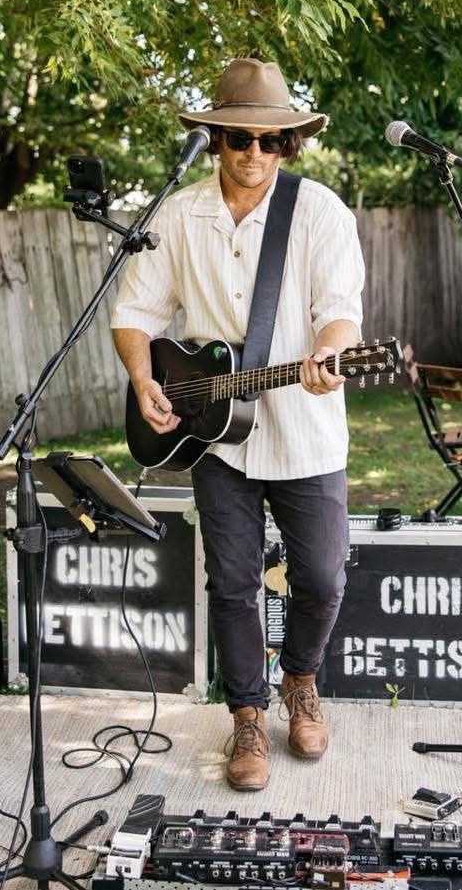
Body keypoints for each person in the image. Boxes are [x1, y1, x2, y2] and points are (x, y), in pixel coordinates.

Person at [110, 57, 365, 791]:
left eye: (271, 140)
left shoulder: (319, 212)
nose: (255, 152)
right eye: (239, 138)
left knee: (322, 576)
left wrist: (330, 352)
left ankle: (300, 679)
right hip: (214, 433)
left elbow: (340, 310)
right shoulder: (176, 215)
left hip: (305, 428)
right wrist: (144, 378)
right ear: (216, 138)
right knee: (231, 582)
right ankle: (247, 715)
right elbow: (135, 312)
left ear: (288, 143)